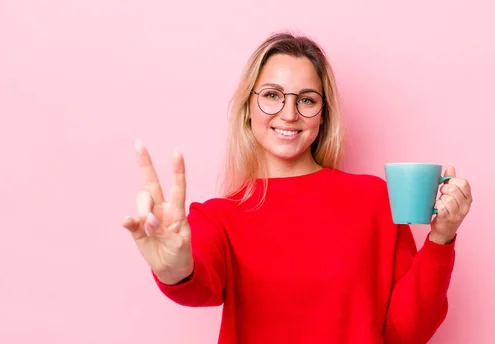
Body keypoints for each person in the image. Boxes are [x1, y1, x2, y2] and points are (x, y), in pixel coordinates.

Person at [121, 32, 473, 344]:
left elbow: (405, 333)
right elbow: (199, 286)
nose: (289, 114)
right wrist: (173, 268)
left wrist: (441, 240)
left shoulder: (374, 200)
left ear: (323, 115)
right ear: (248, 108)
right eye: (272, 95)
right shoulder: (218, 218)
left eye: (306, 99)